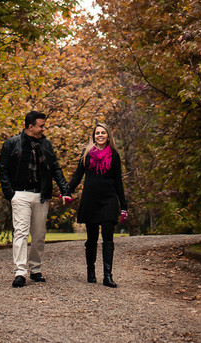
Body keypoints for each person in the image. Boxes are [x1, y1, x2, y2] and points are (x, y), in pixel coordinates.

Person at [0, 110, 72, 287]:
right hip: (20, 194)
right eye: (41, 125)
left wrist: (65, 190)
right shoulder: (11, 144)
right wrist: (11, 195)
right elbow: (2, 170)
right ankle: (20, 272)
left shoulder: (47, 145)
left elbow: (56, 169)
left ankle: (36, 270)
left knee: (39, 235)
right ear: (30, 126)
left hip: (41, 195)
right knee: (21, 233)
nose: (44, 129)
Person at [66, 123, 129, 287]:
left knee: (108, 239)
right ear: (94, 136)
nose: (100, 135)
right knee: (91, 239)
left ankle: (108, 276)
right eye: (97, 133)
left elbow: (118, 181)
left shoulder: (114, 156)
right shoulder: (86, 153)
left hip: (108, 200)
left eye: (103, 133)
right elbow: (78, 175)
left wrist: (124, 206)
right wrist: (67, 191)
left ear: (108, 136)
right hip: (90, 200)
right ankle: (91, 271)